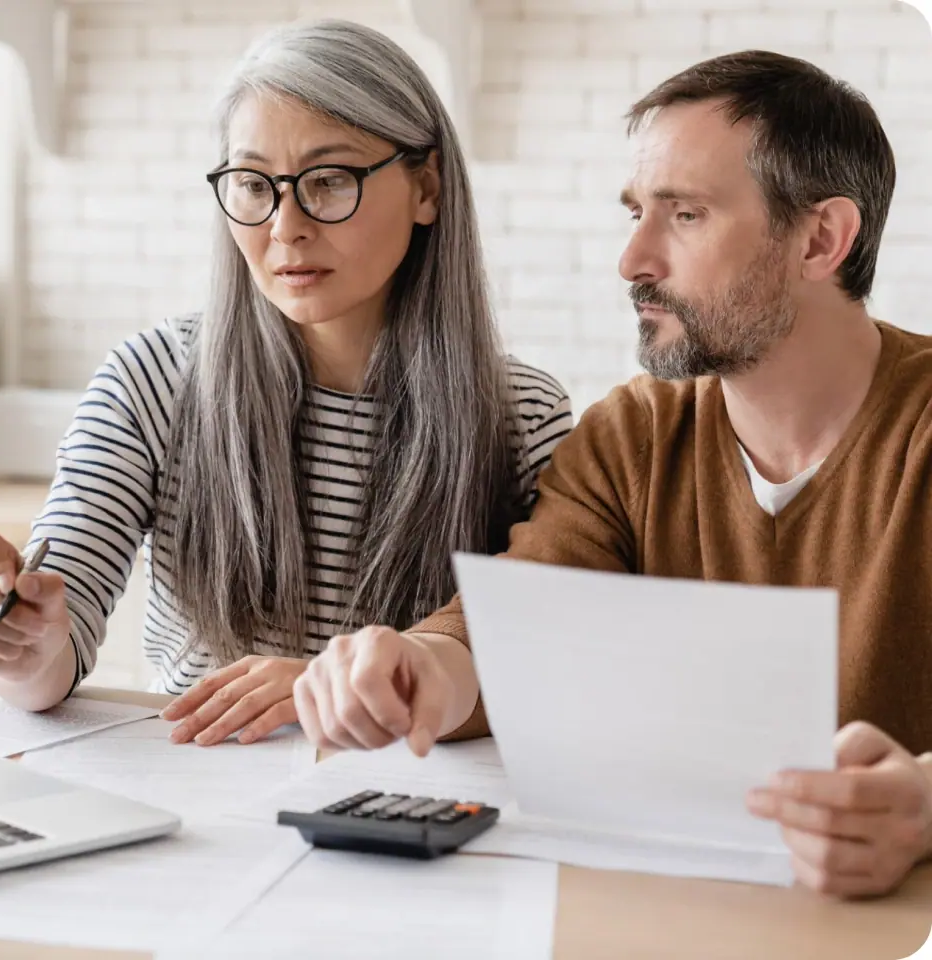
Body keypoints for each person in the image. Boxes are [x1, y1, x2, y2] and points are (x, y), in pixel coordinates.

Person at [295, 49, 932, 899]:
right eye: (636, 212)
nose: (632, 259)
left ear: (821, 239)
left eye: (687, 215)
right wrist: (413, 668)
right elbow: (514, 625)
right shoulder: (633, 434)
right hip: (688, 911)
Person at [0, 19, 572, 749]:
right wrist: (20, 641)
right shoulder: (154, 378)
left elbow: (544, 666)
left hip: (417, 807)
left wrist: (324, 693)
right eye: (253, 185)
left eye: (330, 181)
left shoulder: (522, 416)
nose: (286, 227)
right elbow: (55, 648)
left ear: (426, 186)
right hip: (204, 795)